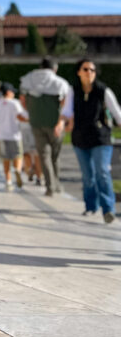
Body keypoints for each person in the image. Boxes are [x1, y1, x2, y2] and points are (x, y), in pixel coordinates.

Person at [63, 59, 121, 223]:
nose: (89, 72)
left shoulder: (103, 91)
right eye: (86, 69)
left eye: (92, 70)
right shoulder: (73, 91)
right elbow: (66, 112)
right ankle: (91, 206)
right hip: (80, 138)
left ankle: (108, 209)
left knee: (102, 171)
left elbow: (117, 113)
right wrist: (61, 124)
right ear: (79, 72)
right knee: (88, 176)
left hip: (100, 138)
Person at [20, 56, 70, 196]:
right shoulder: (59, 82)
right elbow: (65, 104)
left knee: (44, 155)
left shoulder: (28, 79)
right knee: (55, 155)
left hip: (36, 122)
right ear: (54, 68)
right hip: (55, 124)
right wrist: (64, 121)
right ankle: (56, 183)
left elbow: (22, 100)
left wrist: (31, 111)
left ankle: (50, 186)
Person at [0, 83, 28, 189]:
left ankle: (8, 180)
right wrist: (29, 120)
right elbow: (20, 116)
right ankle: (17, 170)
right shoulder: (15, 103)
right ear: (8, 92)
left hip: (1, 136)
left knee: (5, 159)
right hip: (15, 135)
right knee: (18, 156)